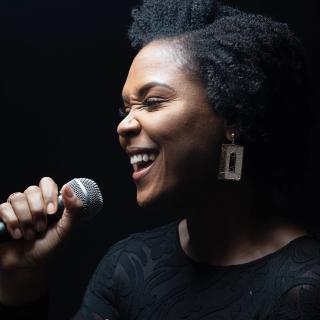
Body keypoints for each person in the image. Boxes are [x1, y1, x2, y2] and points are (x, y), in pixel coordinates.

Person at [0, 0, 319, 319]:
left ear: (232, 118)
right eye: (126, 109)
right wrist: (21, 284)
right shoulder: (129, 268)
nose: (124, 125)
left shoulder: (304, 287)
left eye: (152, 102)